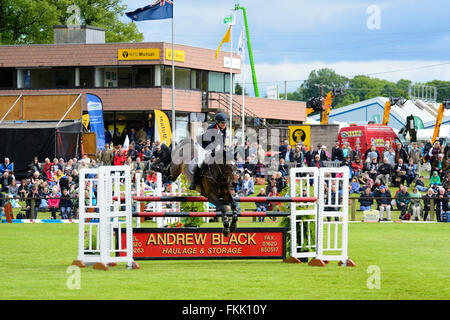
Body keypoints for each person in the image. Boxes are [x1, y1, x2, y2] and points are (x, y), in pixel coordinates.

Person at [189, 112, 228, 190]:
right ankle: (194, 182)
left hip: (214, 145)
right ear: (217, 122)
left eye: (225, 122)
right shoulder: (211, 128)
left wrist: (222, 148)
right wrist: (213, 149)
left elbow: (222, 140)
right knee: (200, 162)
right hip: (203, 145)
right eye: (222, 123)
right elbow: (208, 141)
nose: (224, 124)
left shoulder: (224, 128)